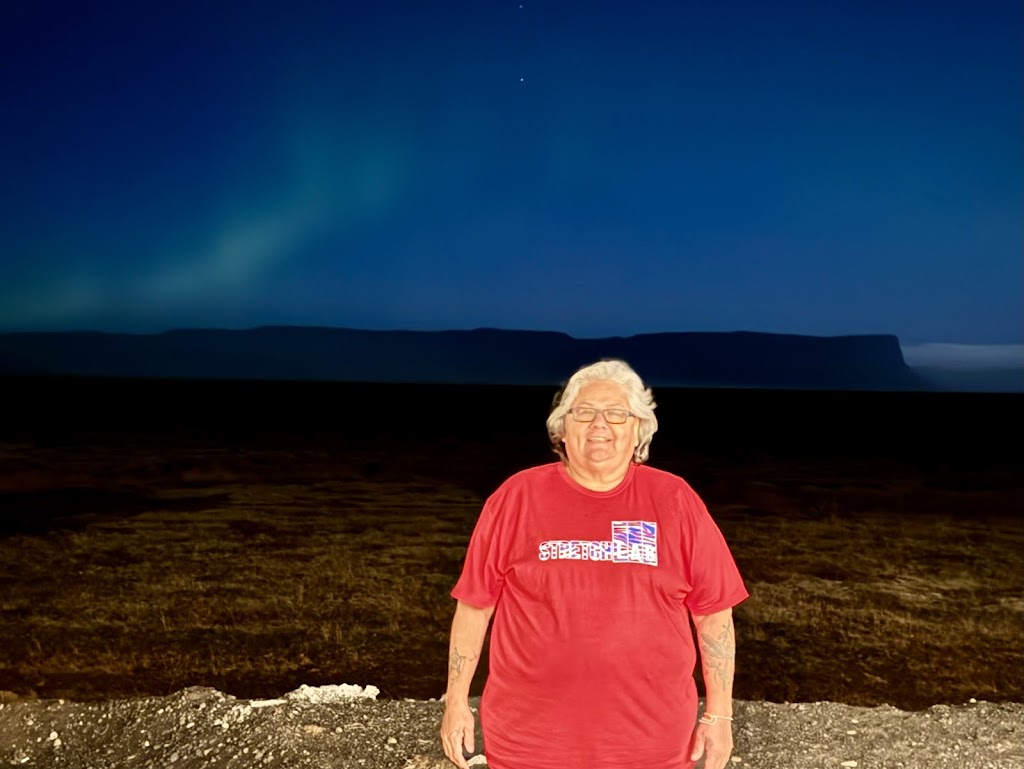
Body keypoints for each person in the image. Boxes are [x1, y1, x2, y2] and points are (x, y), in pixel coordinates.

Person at [440, 359, 749, 769]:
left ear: (639, 430)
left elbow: (713, 614)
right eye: (583, 413)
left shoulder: (674, 499)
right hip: (528, 742)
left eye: (617, 414)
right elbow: (475, 607)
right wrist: (456, 702)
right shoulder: (516, 497)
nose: (599, 424)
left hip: (651, 742)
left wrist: (719, 715)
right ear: (562, 429)